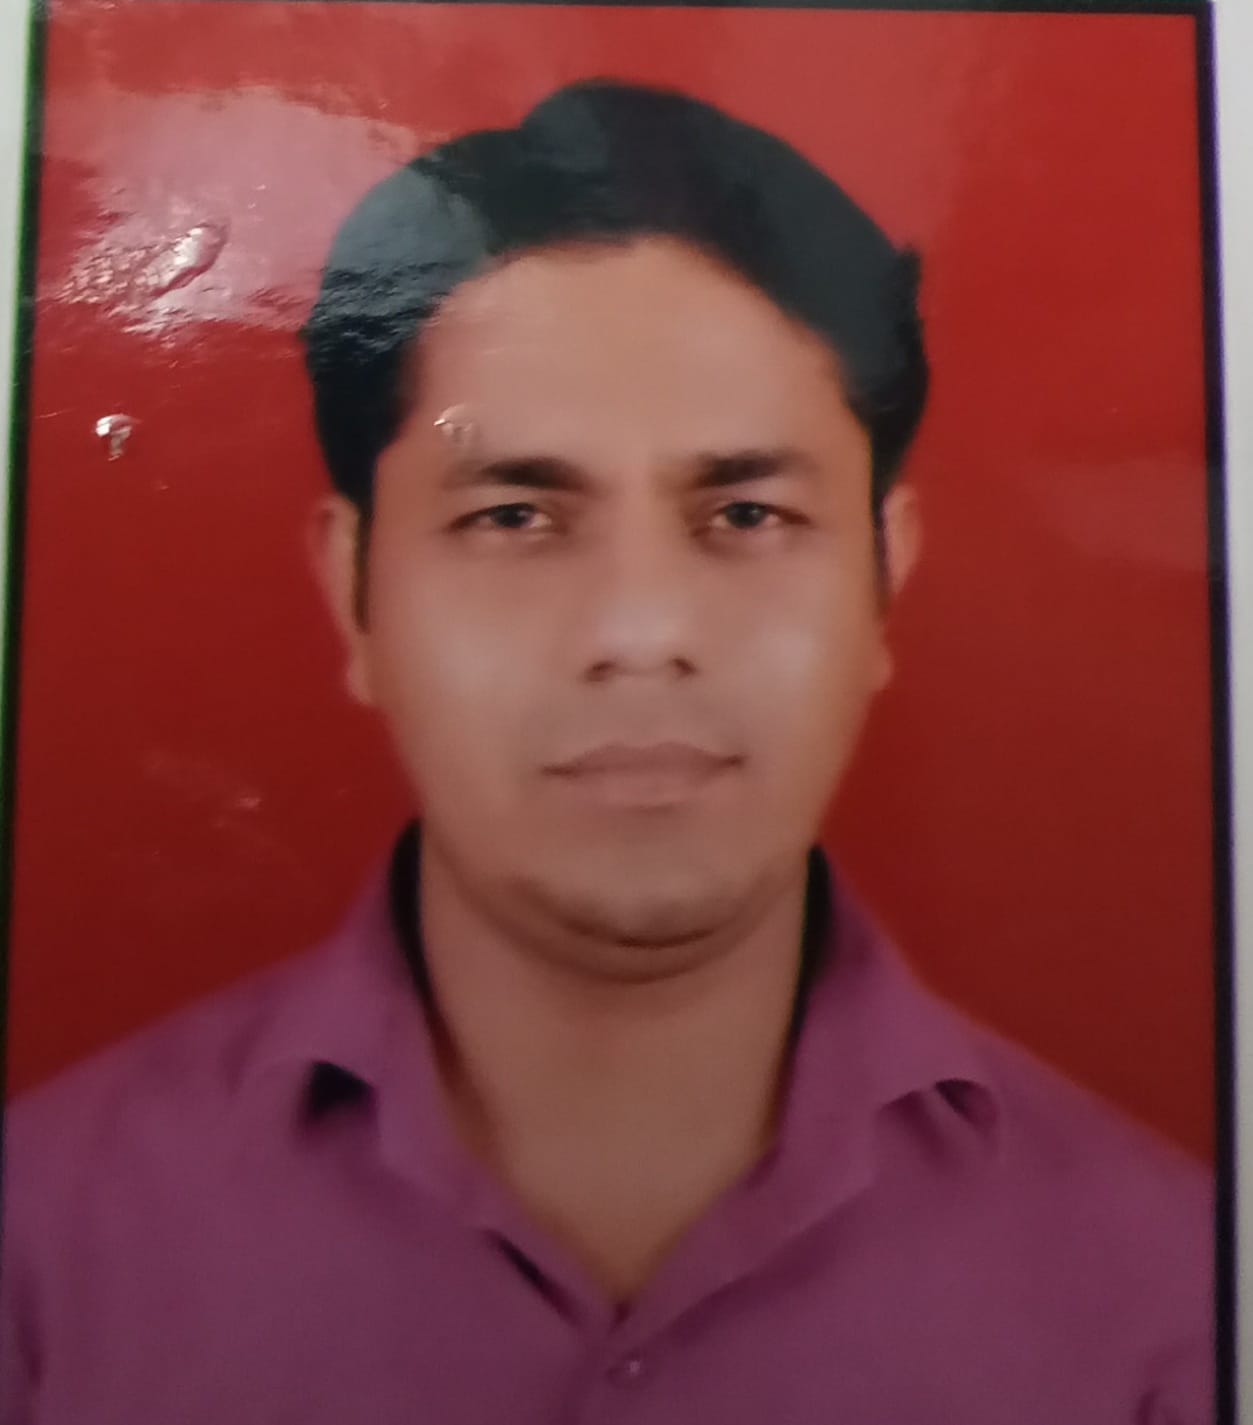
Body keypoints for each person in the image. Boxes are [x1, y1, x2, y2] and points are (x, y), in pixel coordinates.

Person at [0, 80, 1213, 1424]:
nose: (640, 633)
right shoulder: (40, 1256)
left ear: (885, 583)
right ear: (354, 596)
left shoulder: (1177, 1297)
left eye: (745, 513)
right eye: (517, 516)